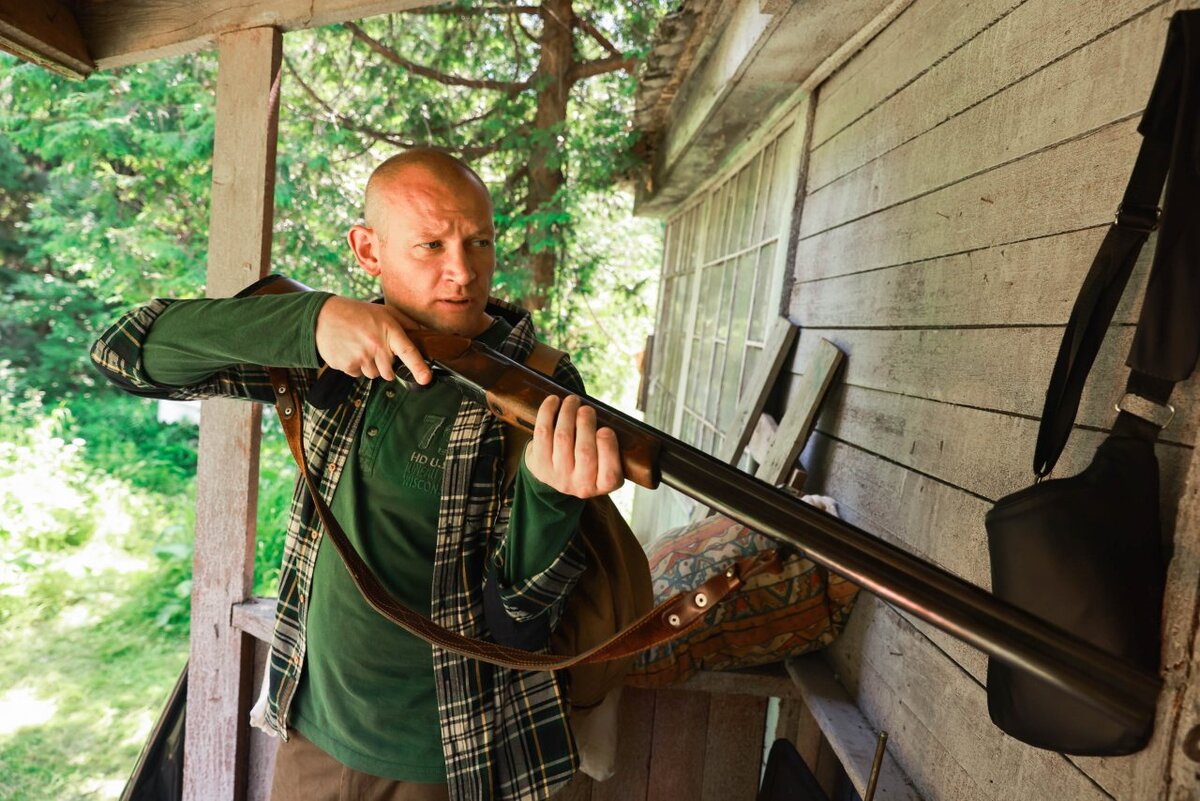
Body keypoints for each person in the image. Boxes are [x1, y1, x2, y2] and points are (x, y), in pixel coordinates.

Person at [90, 149, 623, 801]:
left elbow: (519, 623)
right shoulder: (331, 348)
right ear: (368, 250)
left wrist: (548, 494)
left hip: (447, 755)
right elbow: (123, 352)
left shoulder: (536, 384)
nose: (463, 270)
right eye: (431, 244)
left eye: (478, 240)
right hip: (308, 724)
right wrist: (311, 321)